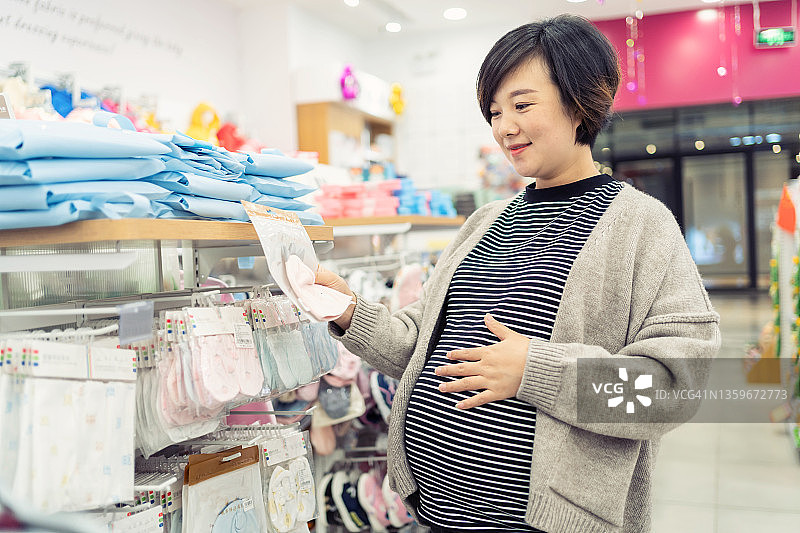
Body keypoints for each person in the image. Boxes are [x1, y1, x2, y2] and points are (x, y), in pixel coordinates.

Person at [316, 14, 720, 533]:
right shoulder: (485, 222)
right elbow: (418, 345)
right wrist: (351, 312)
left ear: (580, 103)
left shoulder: (641, 227)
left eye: (522, 105)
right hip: (436, 516)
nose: (504, 127)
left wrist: (536, 371)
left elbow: (671, 388)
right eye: (494, 111)